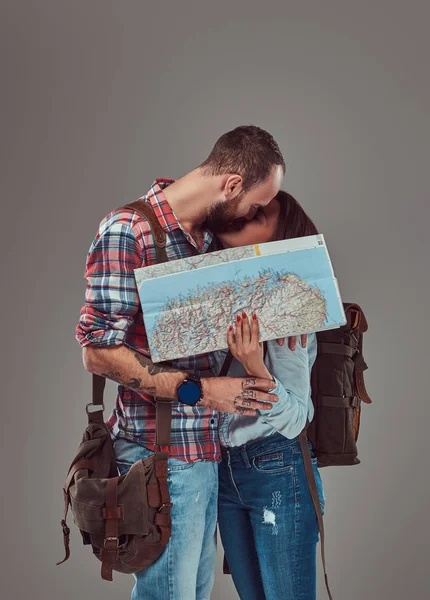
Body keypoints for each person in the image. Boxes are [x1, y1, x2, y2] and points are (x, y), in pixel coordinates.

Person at [75, 126, 304, 600]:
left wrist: (293, 304)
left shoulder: (208, 241)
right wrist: (198, 390)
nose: (255, 215)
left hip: (205, 456)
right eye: (256, 205)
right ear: (233, 185)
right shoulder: (128, 230)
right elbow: (96, 350)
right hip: (158, 455)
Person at [214, 190, 325, 600]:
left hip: (276, 465)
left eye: (262, 214)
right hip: (224, 471)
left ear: (277, 238)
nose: (248, 212)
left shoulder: (289, 313)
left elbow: (297, 418)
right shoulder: (217, 295)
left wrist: (256, 365)